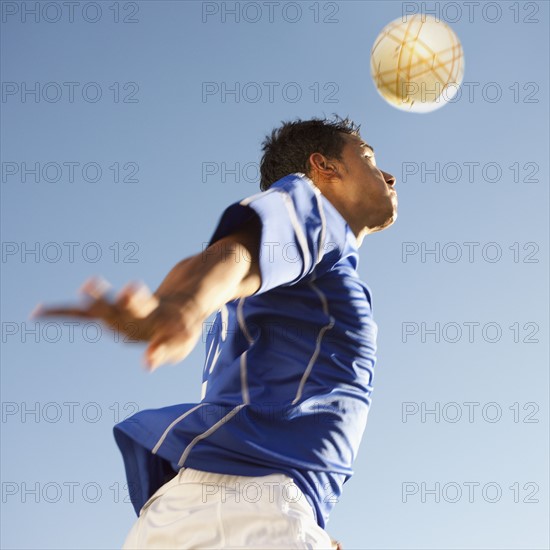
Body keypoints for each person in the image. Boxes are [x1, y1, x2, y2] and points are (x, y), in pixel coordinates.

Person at [32, 116, 397, 549]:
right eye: (369, 158)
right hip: (245, 511)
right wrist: (180, 306)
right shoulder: (314, 209)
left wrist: (310, 523)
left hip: (230, 511)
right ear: (324, 167)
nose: (389, 175)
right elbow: (235, 254)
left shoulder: (321, 271)